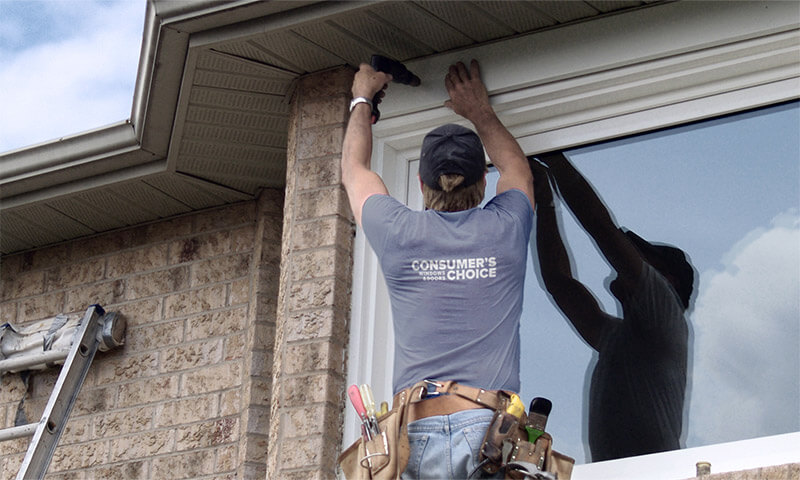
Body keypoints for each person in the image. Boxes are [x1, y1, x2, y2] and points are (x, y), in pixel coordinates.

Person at [341, 59, 535, 478]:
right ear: (483, 183)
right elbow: (517, 169)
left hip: (414, 432)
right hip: (489, 430)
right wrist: (479, 110)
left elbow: (354, 171)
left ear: (422, 185)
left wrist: (363, 97)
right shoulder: (507, 228)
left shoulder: (399, 232)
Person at [530, 153, 695, 461]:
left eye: (639, 256)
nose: (627, 259)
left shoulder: (667, 314)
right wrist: (545, 202)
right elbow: (559, 282)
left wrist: (553, 155)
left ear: (666, 280)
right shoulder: (622, 339)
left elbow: (602, 228)